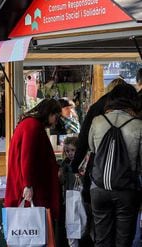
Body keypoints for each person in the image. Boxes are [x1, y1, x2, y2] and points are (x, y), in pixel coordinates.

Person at [88, 83, 142, 247]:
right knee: (123, 241)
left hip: (99, 189)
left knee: (102, 240)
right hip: (126, 189)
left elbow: (92, 148)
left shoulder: (97, 121)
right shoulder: (138, 125)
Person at [5, 99, 61, 220]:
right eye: (56, 117)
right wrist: (28, 185)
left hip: (28, 182)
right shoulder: (33, 126)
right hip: (31, 185)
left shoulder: (29, 124)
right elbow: (27, 157)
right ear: (50, 114)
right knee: (33, 223)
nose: (55, 122)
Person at [59, 136, 84, 247]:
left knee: (84, 224)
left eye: (72, 150)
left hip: (82, 198)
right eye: (67, 151)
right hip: (70, 198)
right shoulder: (65, 164)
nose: (70, 153)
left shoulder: (83, 163)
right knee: (71, 226)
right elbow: (61, 181)